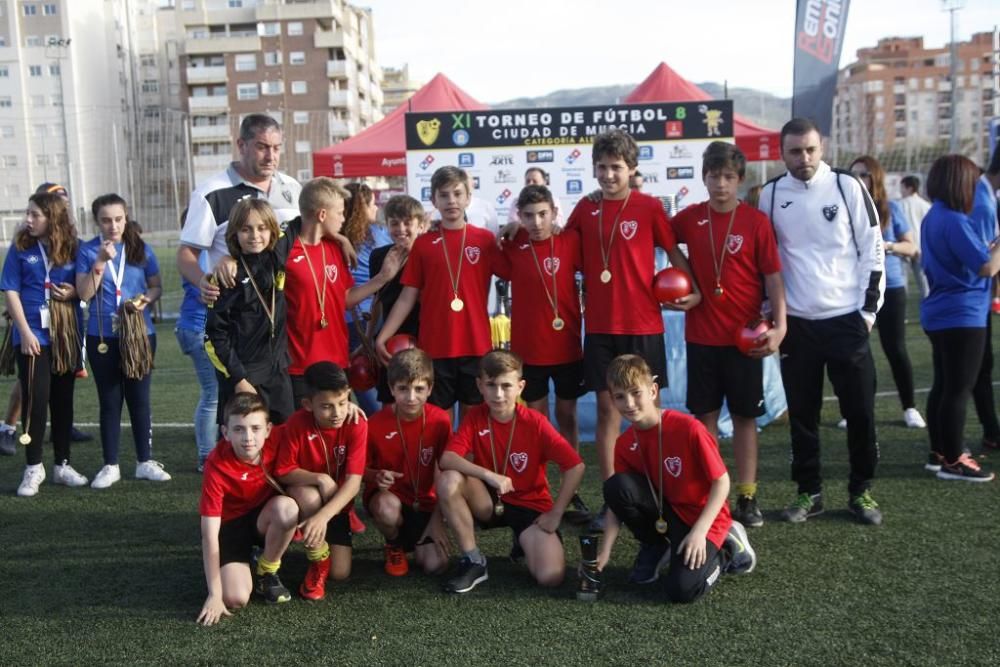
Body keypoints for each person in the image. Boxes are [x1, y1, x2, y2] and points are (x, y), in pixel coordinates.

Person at [562, 129, 699, 530]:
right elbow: (559, 245)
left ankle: (659, 489)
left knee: (646, 413)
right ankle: (613, 497)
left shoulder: (649, 207)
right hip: (601, 328)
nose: (608, 175)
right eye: (601, 168)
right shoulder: (585, 210)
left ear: (632, 169)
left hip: (643, 324)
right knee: (608, 411)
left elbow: (673, 252)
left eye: (616, 168)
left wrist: (696, 292)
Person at [759, 118, 885, 525]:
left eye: (811, 149)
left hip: (846, 320)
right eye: (795, 151)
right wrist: (771, 312)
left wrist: (867, 312)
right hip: (797, 324)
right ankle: (808, 492)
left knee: (860, 412)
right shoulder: (771, 193)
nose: (804, 158)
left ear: (822, 147)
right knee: (803, 415)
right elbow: (765, 261)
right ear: (782, 153)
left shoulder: (848, 186)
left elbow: (873, 248)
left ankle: (861, 491)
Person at [670, 141, 786, 528]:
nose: (721, 184)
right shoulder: (689, 218)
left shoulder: (755, 222)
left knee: (744, 418)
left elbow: (773, 277)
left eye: (728, 177)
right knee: (703, 419)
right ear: (703, 177)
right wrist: (686, 277)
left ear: (740, 180)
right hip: (701, 337)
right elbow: (662, 239)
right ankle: (709, 491)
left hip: (745, 339)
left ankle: (747, 495)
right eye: (713, 176)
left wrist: (781, 325)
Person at [596, 355, 756, 602]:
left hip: (705, 520)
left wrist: (700, 532)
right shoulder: (624, 443)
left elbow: (721, 482)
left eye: (635, 392)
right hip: (669, 515)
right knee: (617, 486)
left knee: (682, 591)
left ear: (653, 390)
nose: (629, 403)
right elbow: (619, 502)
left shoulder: (688, 428)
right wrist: (605, 551)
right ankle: (655, 546)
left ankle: (726, 549)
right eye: (619, 396)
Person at [436, 350, 585, 594]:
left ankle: (522, 540)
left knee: (551, 577)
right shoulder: (475, 417)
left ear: (520, 387)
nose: (498, 394)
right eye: (491, 385)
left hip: (529, 504)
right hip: (488, 501)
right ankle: (474, 560)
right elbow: (448, 458)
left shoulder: (535, 422)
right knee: (449, 480)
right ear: (479, 386)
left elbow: (575, 466)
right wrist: (488, 475)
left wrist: (557, 513)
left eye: (506, 386)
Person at [494, 184, 590, 519]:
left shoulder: (570, 241)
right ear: (519, 216)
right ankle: (539, 490)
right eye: (529, 216)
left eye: (543, 214)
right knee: (538, 423)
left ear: (553, 213)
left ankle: (572, 488)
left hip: (567, 349)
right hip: (528, 353)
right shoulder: (511, 244)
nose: (536, 222)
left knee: (568, 417)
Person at [375, 166, 498, 416]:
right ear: (433, 200)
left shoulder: (485, 240)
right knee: (438, 424)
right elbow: (407, 296)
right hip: (435, 347)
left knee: (472, 425)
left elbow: (518, 270)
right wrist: (382, 337)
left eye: (457, 193)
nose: (451, 200)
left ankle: (465, 459)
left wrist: (515, 229)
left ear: (468, 198)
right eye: (444, 195)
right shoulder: (423, 244)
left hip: (476, 344)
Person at [76, 194, 169, 489]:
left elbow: (156, 286)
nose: (113, 225)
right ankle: (110, 464)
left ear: (126, 217)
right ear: (97, 222)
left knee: (139, 399)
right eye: (106, 220)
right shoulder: (88, 251)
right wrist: (101, 262)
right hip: (102, 335)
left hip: (140, 334)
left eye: (118, 219)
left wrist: (145, 300)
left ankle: (145, 461)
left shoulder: (141, 249)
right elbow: (84, 294)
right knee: (110, 401)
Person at [920, 154, 1000, 482]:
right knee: (958, 389)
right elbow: (986, 266)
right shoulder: (953, 219)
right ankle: (954, 459)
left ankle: (939, 451)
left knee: (944, 385)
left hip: (941, 311)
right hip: (962, 314)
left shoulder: (934, 216)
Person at [1, 192, 86, 496]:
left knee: (63, 403)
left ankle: (62, 465)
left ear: (53, 217)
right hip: (32, 338)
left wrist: (75, 291)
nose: (28, 219)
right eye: (28, 213)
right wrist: (24, 333)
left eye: (35, 214)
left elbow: (87, 287)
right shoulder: (21, 247)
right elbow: (10, 290)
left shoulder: (74, 247)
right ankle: (32, 467)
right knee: (35, 405)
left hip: (64, 338)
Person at [178, 114, 302, 308]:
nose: (271, 156)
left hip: (289, 310)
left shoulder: (292, 187)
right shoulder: (210, 193)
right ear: (241, 145)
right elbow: (186, 254)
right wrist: (203, 280)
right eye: (262, 147)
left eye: (276, 148)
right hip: (239, 314)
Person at [196, 393, 299, 625]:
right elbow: (209, 535)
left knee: (287, 509)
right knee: (235, 598)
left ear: (269, 429)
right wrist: (214, 594)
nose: (248, 438)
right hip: (230, 528)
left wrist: (350, 409)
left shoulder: (279, 438)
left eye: (255, 428)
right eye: (239, 429)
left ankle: (267, 570)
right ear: (225, 432)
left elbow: (310, 418)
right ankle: (241, 561)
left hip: (264, 519)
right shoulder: (216, 464)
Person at [275, 362, 367, 600]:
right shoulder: (297, 423)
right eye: (326, 406)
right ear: (308, 405)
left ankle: (321, 536)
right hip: (309, 499)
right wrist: (319, 478)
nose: (336, 413)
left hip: (336, 505)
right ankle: (318, 563)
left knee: (341, 573)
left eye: (342, 403)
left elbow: (354, 483)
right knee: (310, 494)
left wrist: (323, 516)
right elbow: (283, 471)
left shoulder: (356, 423)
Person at [849, 156, 925, 429]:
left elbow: (911, 247)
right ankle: (858, 411)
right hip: (856, 289)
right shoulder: (848, 208)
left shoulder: (891, 208)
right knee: (857, 353)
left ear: (875, 177)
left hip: (890, 287)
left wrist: (887, 245)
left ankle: (910, 407)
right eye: (854, 173)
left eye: (864, 173)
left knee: (895, 349)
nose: (858, 178)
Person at [204, 199, 293, 425]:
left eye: (261, 228)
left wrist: (341, 238)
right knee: (242, 442)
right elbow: (214, 337)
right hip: (243, 376)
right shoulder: (227, 276)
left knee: (283, 437)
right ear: (235, 234)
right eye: (246, 229)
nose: (255, 235)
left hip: (277, 369)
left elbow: (305, 221)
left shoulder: (276, 256)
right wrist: (238, 378)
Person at [363, 348, 452, 576]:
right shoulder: (374, 424)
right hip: (390, 499)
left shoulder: (440, 421)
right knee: (386, 508)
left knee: (435, 566)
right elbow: (359, 470)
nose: (411, 397)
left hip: (427, 504)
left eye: (419, 389)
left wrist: (438, 521)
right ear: (391, 389)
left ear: (430, 388)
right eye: (403, 389)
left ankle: (421, 537)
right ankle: (393, 544)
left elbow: (447, 473)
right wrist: (376, 475)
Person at [368, 195, 428, 405]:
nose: (400, 229)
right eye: (394, 223)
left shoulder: (430, 254)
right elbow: (378, 300)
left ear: (420, 225)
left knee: (422, 401)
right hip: (389, 339)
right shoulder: (378, 256)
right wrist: (369, 337)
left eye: (407, 222)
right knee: (390, 398)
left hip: (424, 337)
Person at [342, 183, 392, 415]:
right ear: (364, 207)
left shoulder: (335, 237)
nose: (376, 209)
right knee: (370, 381)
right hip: (369, 317)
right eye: (373, 204)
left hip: (342, 320)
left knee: (356, 381)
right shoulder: (378, 236)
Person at [175, 209, 218, 472]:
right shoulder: (195, 255)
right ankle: (206, 456)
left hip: (198, 328)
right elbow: (207, 295)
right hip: (198, 329)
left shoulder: (204, 252)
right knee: (213, 393)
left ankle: (214, 449)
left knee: (215, 392)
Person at [969, 145, 1000, 452]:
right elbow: (983, 263)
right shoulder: (981, 201)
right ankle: (991, 431)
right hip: (969, 303)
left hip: (975, 301)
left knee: (979, 368)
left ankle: (992, 429)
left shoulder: (986, 194)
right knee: (968, 374)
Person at [898, 175, 932, 298]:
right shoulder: (927, 206)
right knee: (924, 284)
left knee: (902, 283)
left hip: (904, 248)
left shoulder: (899, 205)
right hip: (922, 248)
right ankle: (929, 309)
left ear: (909, 188)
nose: (900, 190)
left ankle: (901, 314)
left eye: (902, 187)